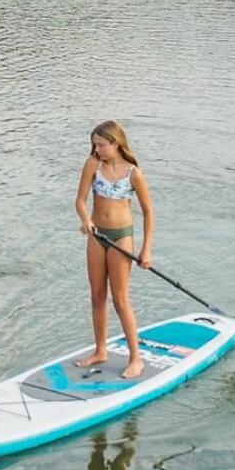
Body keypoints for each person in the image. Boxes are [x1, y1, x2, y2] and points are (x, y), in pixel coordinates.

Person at [74, 118, 155, 380]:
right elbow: (80, 200)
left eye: (100, 145)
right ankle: (100, 350)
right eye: (94, 145)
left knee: (119, 298)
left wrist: (146, 250)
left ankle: (135, 359)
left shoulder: (133, 173)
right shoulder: (92, 164)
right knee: (97, 295)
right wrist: (85, 220)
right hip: (97, 236)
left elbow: (148, 212)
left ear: (115, 143)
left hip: (122, 238)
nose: (96, 150)